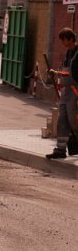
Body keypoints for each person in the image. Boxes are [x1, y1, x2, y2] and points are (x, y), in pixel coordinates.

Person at [46, 27, 78, 159]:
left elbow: (71, 73)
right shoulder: (68, 54)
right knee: (62, 120)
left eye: (64, 40)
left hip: (75, 92)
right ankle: (60, 149)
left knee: (74, 121)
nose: (63, 43)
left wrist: (57, 73)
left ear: (70, 39)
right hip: (66, 92)